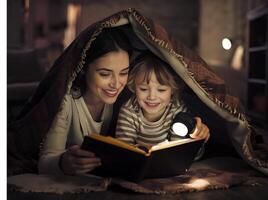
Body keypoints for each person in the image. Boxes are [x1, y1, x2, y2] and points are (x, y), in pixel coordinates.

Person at [38, 27, 132, 175]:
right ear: (83, 68)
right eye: (105, 74)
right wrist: (63, 162)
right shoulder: (66, 101)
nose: (116, 84)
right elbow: (44, 163)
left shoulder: (126, 100)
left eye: (124, 73)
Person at [116, 53, 210, 148]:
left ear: (172, 89)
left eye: (161, 90)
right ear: (134, 87)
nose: (152, 97)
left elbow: (178, 150)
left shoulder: (177, 109)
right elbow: (124, 150)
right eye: (143, 89)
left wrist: (197, 136)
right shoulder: (128, 111)